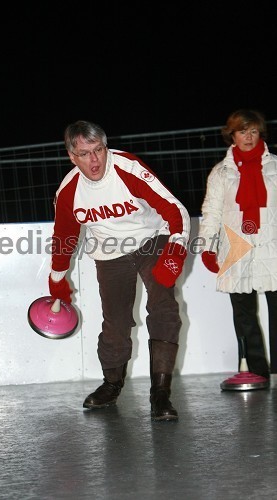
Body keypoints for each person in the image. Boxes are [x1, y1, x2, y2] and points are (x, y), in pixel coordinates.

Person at [48, 120, 190, 421]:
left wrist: (176, 248)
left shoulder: (127, 168)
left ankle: (160, 394)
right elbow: (64, 239)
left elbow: (174, 208)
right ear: (72, 157)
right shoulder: (69, 191)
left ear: (105, 146)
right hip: (109, 254)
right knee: (116, 322)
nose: (95, 160)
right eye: (85, 154)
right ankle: (112, 385)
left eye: (98, 150)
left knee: (163, 305)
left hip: (152, 239)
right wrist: (57, 278)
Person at [199, 109, 277, 390]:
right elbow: (211, 212)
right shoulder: (221, 172)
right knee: (243, 314)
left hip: (272, 246)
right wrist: (208, 247)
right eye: (243, 131)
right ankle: (257, 370)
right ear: (231, 135)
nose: (249, 137)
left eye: (254, 131)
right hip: (238, 247)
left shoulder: (275, 167)